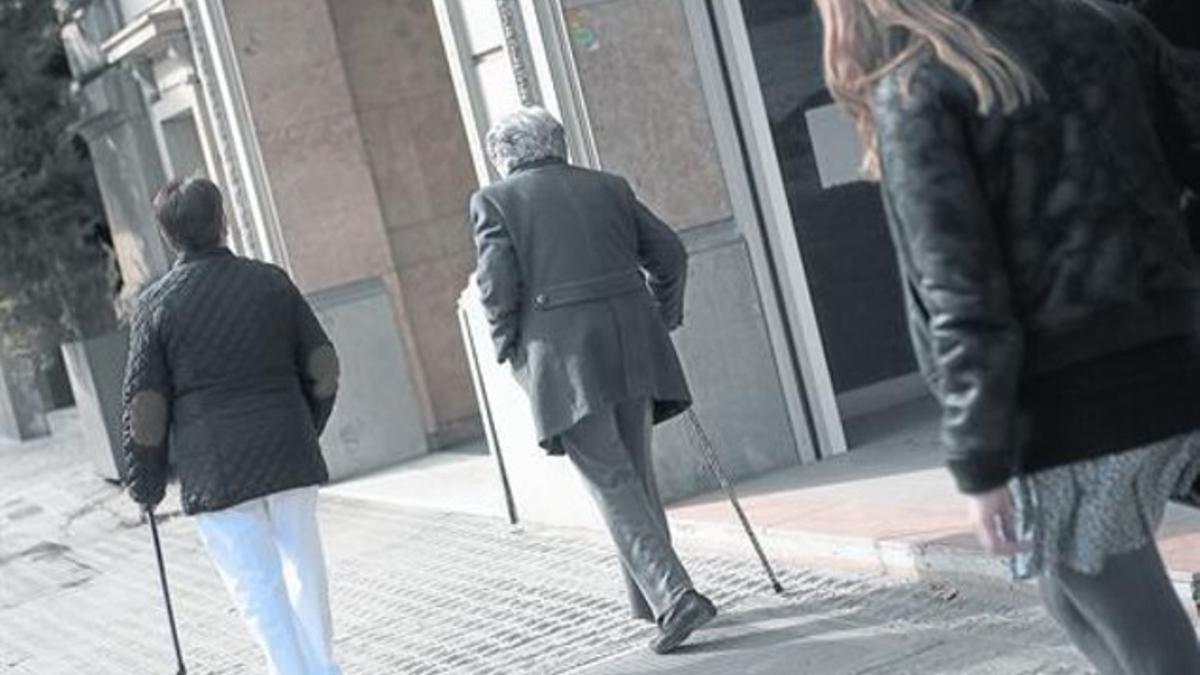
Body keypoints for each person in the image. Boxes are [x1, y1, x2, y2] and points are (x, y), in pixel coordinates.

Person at [814, 0, 1200, 672]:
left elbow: (962, 293)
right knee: (1070, 596)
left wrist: (978, 459)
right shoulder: (1098, 23)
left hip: (1070, 402)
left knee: (1130, 618)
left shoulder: (920, 86)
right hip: (1164, 362)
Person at [470, 107, 715, 654]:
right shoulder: (609, 185)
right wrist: (663, 312)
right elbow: (670, 252)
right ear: (557, 143)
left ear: (504, 156)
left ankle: (675, 597)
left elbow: (494, 286)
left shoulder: (495, 201)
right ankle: (652, 601)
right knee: (634, 475)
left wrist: (508, 346)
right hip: (632, 342)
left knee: (610, 479)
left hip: (563, 358)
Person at [122, 177, 342, 675]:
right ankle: (323, 668)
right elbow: (323, 364)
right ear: (224, 220)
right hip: (288, 448)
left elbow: (146, 403)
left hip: (214, 470)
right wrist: (308, 424)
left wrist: (146, 483)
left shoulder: (156, 306)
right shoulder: (270, 282)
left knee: (256, 585)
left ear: (168, 237)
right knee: (306, 571)